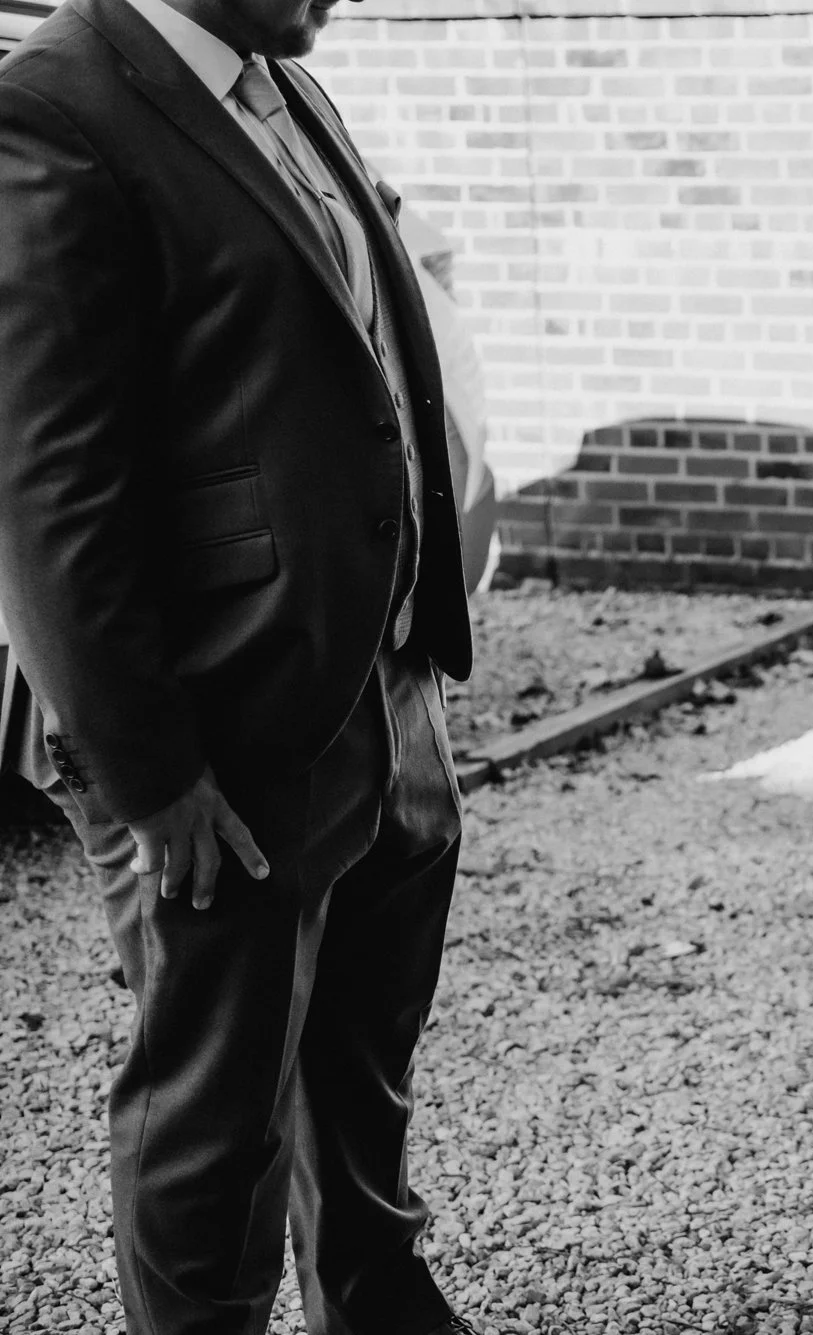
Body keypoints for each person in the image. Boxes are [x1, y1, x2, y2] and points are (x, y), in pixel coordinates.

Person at [0, 0, 479, 1331]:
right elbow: (47, 491)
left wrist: (419, 644)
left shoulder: (279, 78)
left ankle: (373, 1300)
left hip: (376, 685)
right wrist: (152, 776)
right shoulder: (52, 107)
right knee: (214, 1113)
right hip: (215, 726)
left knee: (360, 1060)